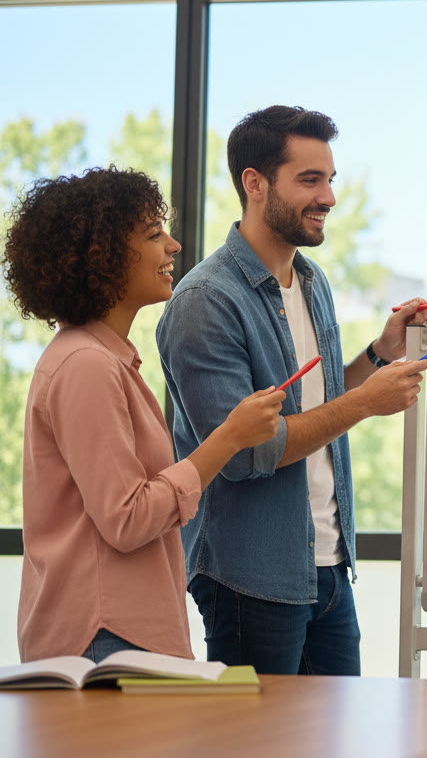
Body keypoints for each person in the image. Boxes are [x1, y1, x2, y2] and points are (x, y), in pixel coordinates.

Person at [156, 106, 427, 676]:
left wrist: (378, 355)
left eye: (330, 179)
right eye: (310, 180)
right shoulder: (205, 302)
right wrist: (366, 403)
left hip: (328, 565)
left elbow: (320, 402)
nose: (328, 196)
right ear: (254, 184)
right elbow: (251, 453)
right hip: (251, 578)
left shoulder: (311, 280)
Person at [3, 167, 284, 663]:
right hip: (104, 642)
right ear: (103, 257)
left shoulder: (103, 359)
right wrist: (229, 438)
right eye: (154, 234)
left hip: (118, 636)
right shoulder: (85, 366)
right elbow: (127, 519)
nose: (174, 246)